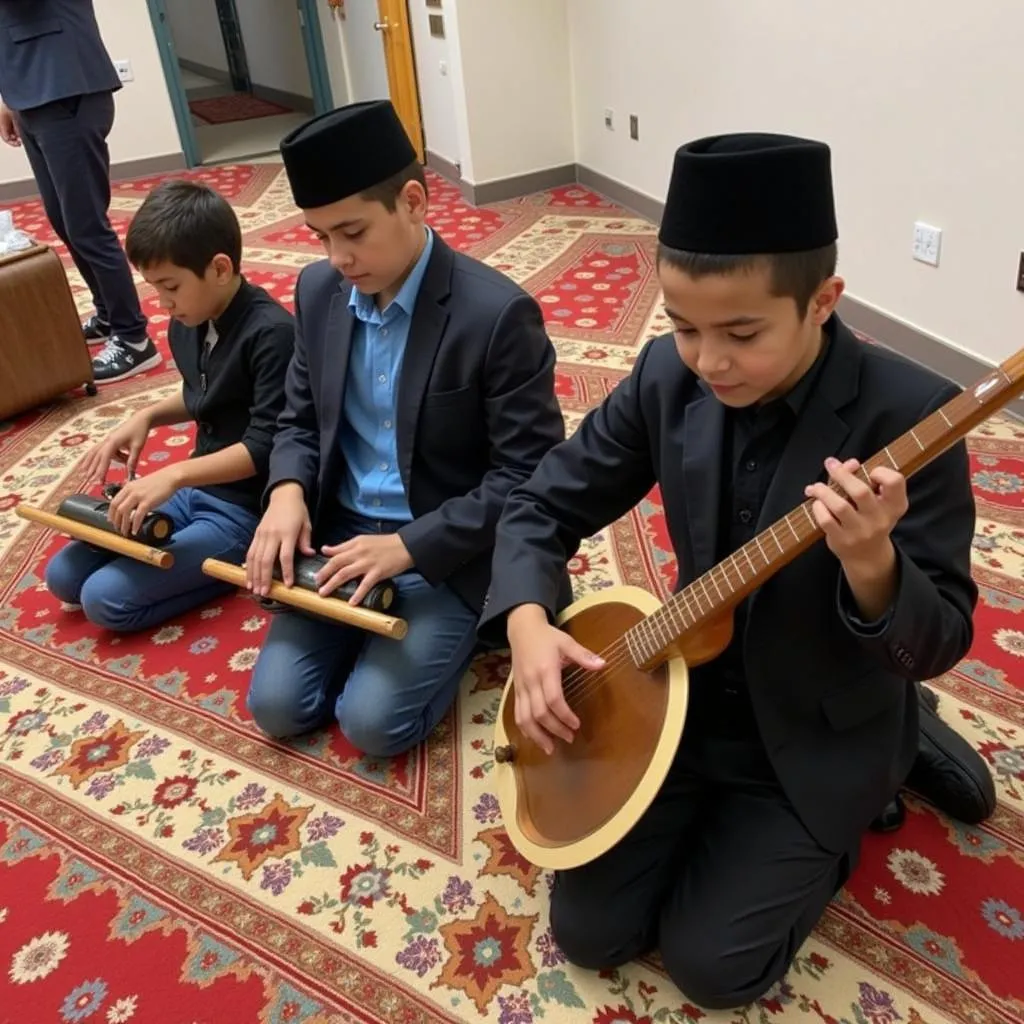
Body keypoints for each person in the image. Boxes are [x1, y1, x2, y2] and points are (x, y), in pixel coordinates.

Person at [478, 133, 984, 1008]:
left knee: (717, 968)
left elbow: (943, 630)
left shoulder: (916, 416)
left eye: (742, 333)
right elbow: (540, 505)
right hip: (685, 690)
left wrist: (873, 564)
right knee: (592, 932)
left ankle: (902, 743)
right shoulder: (667, 378)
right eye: (683, 327)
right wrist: (528, 622)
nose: (708, 361)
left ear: (824, 300)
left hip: (821, 712)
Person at [244, 99, 566, 758]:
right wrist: (285, 492)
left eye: (353, 232)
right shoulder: (316, 293)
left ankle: (465, 624)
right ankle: (374, 626)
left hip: (444, 549)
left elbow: (528, 478)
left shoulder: (496, 315)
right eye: (320, 236)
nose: (337, 257)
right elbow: (298, 418)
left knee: (372, 726)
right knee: (277, 708)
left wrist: (409, 547)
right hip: (341, 540)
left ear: (414, 203)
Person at [44, 180, 295, 631]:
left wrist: (174, 473)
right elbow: (206, 390)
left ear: (220, 268)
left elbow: (265, 446)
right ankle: (185, 561)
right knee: (63, 577)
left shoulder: (272, 334)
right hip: (192, 491)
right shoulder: (192, 318)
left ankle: (233, 568)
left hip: (243, 511)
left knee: (104, 601)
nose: (163, 303)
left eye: (171, 286)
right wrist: (148, 416)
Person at [0, 0, 159, 384]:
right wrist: (8, 99)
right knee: (64, 220)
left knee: (87, 225)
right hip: (32, 94)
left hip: (65, 86)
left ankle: (134, 338)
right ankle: (108, 314)